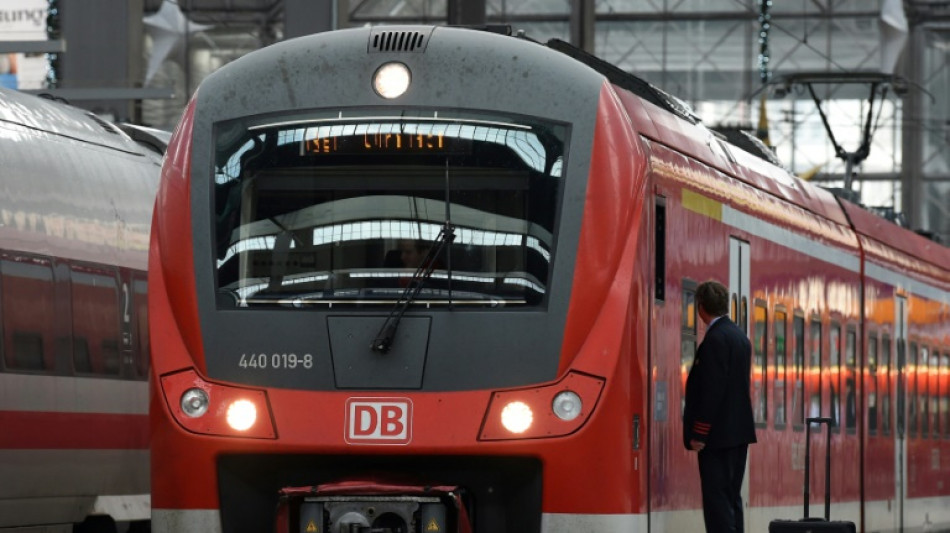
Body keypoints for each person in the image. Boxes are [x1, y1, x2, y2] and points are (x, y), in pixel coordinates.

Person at [683, 279, 757, 533]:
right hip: (738, 434)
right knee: (731, 499)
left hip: (717, 437)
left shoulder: (714, 340)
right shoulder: (739, 337)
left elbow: (711, 391)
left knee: (717, 503)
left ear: (701, 307)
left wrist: (699, 433)